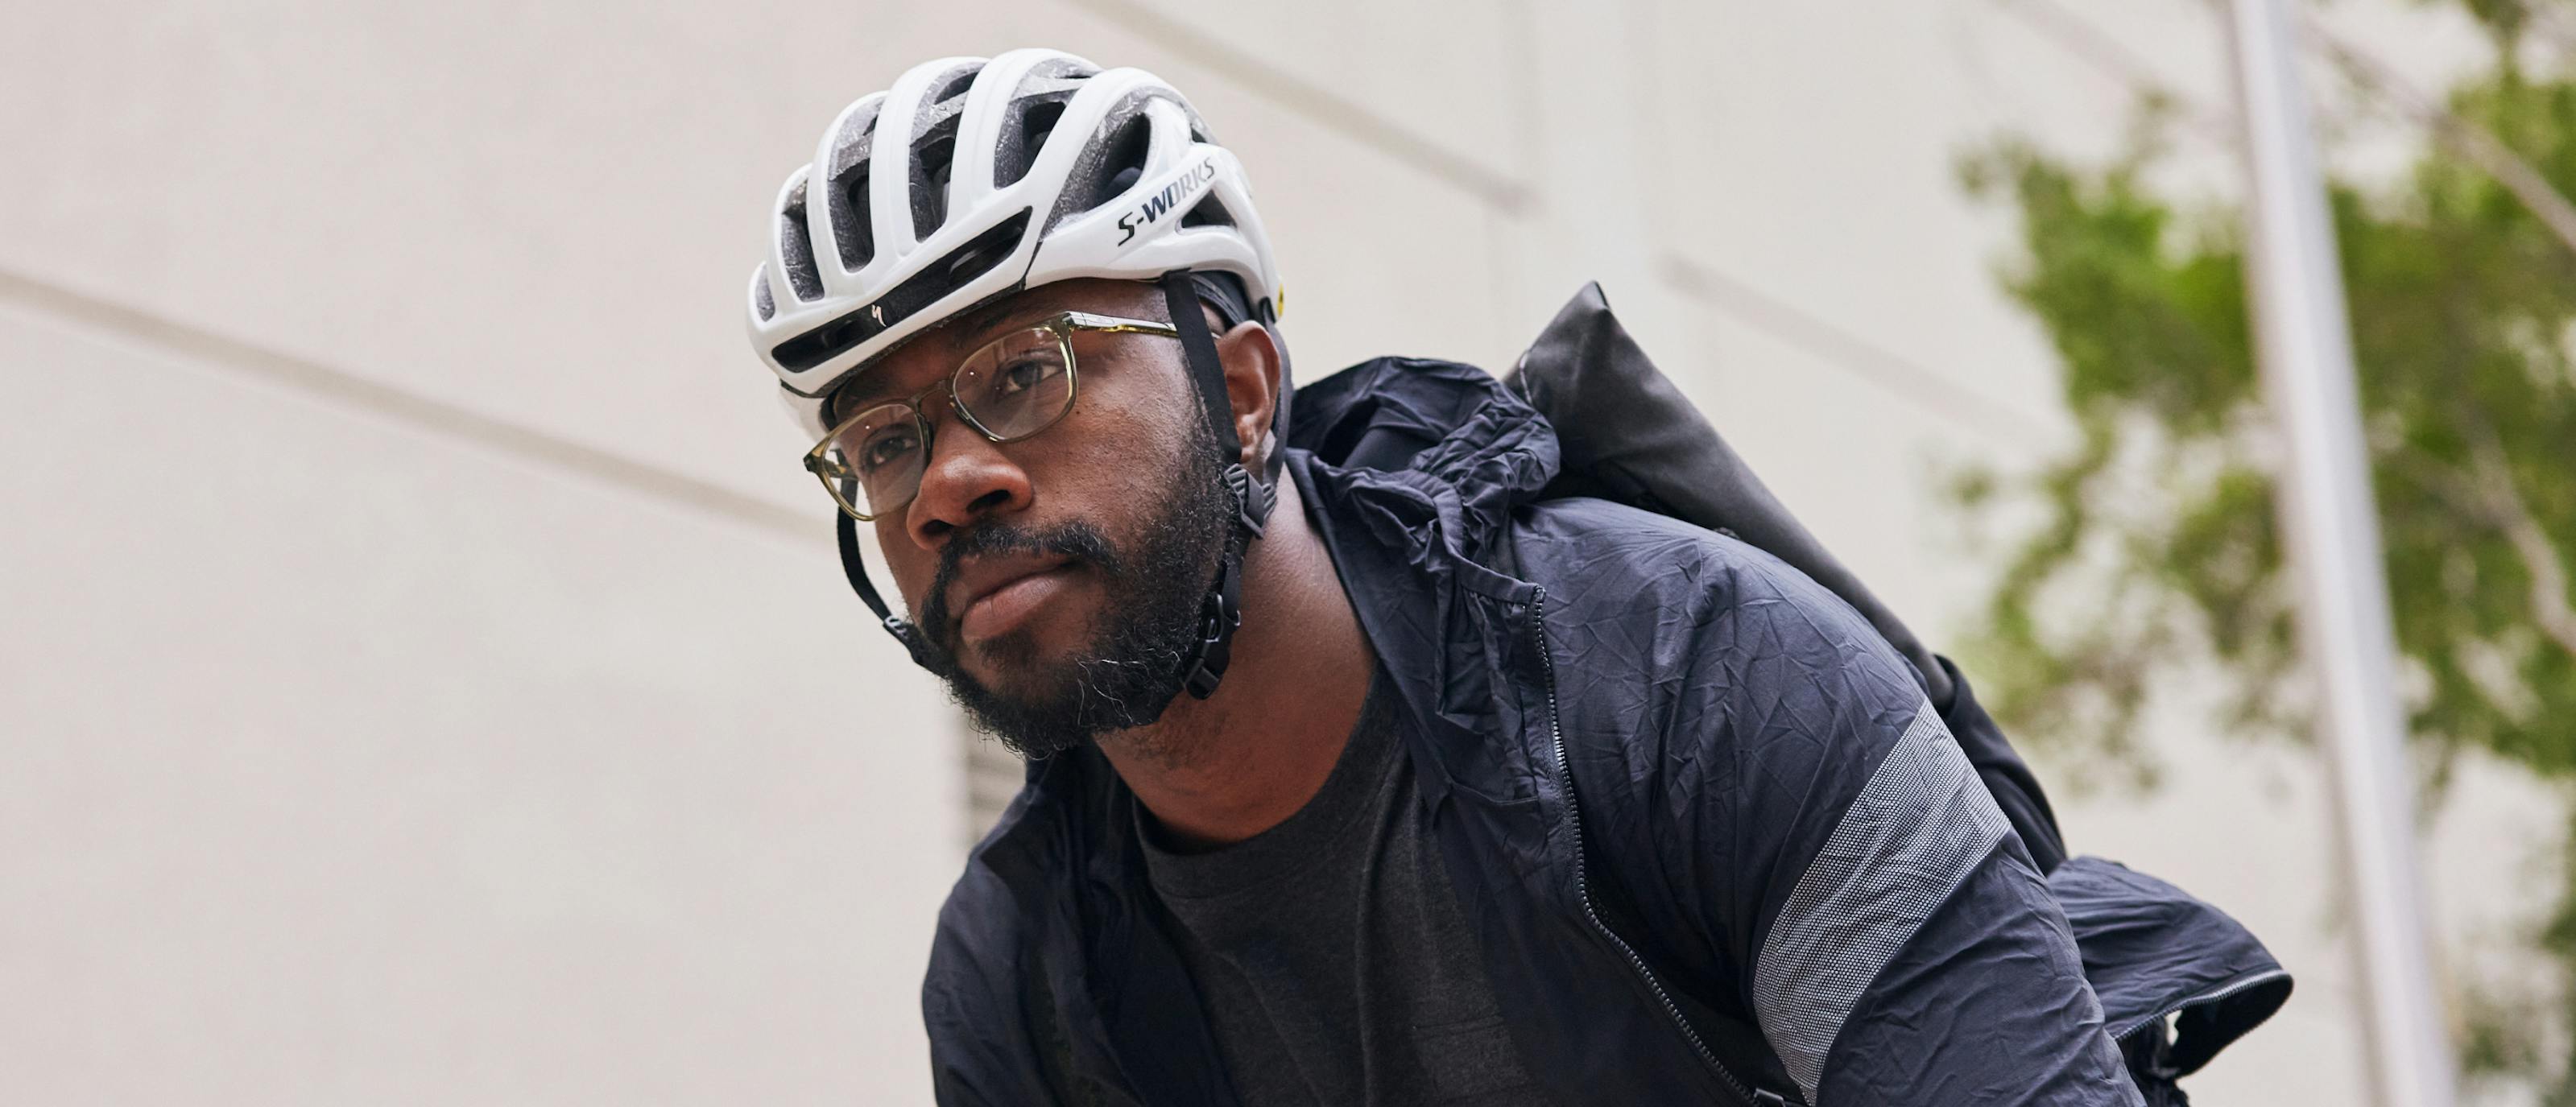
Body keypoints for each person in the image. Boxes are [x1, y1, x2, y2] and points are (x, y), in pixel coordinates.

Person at [741, 49, 2287, 1106]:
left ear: (1250, 390)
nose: (948, 481)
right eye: (878, 443)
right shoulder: (1021, 976)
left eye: (1027, 371)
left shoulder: (1705, 683)